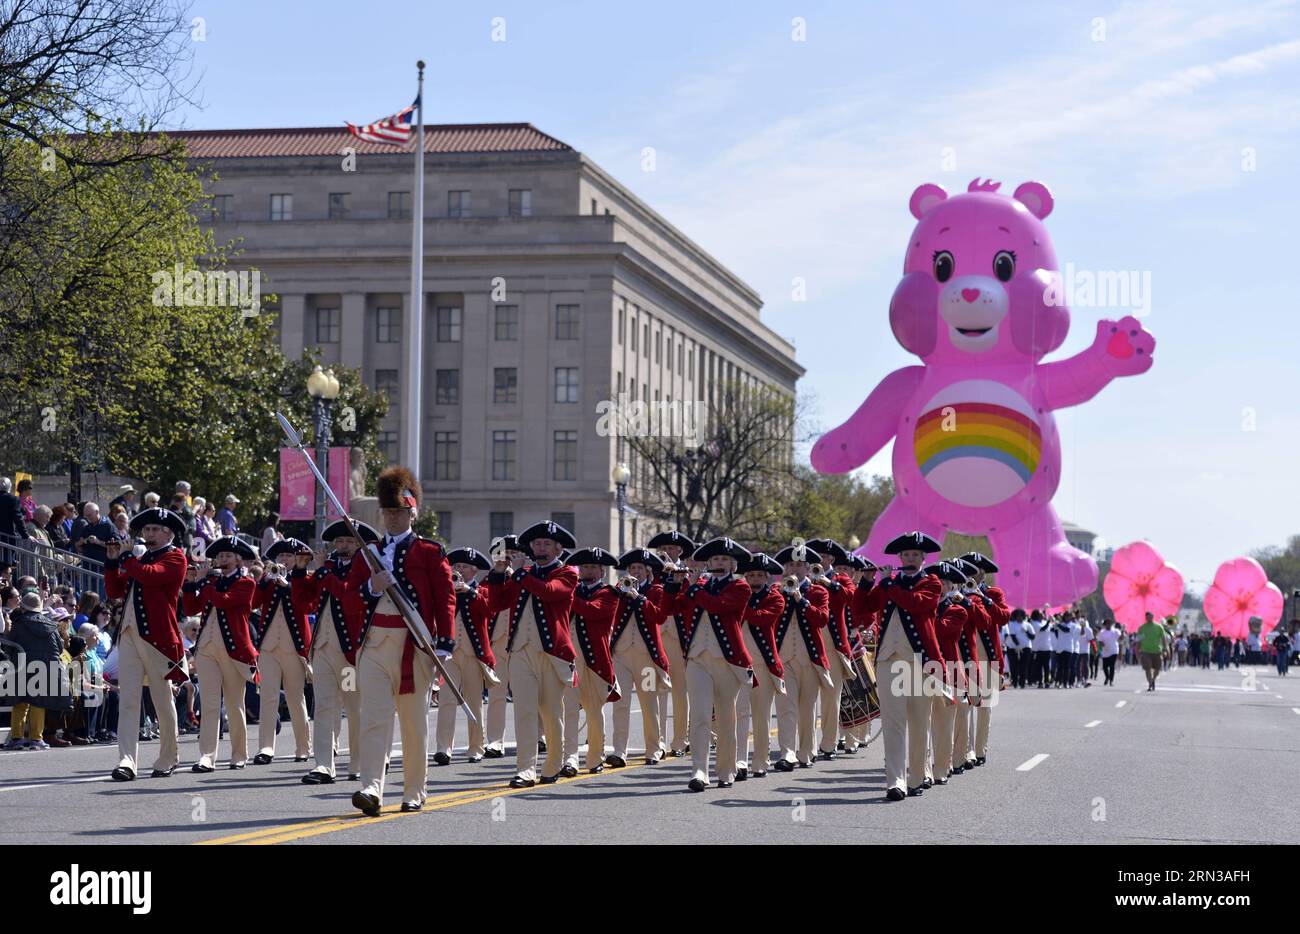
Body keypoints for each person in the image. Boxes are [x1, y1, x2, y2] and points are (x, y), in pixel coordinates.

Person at [347, 466, 456, 814]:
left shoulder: (429, 552)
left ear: (412, 512)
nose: (393, 518)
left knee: (413, 723)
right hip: (376, 643)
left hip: (415, 644)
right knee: (374, 718)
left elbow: (445, 598)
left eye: (400, 512)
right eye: (389, 512)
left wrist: (445, 642)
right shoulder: (368, 552)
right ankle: (372, 788)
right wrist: (369, 587)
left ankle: (414, 790)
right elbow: (349, 596)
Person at [852, 531, 943, 801]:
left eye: (915, 555)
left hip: (920, 661)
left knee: (918, 721)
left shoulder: (932, 582)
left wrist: (888, 582)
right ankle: (895, 781)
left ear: (923, 558)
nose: (910, 559)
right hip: (888, 659)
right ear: (899, 557)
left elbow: (915, 604)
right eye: (905, 555)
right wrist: (867, 582)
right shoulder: (888, 583)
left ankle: (917, 775)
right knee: (893, 722)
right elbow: (862, 610)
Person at [102, 507, 189, 780]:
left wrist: (128, 558)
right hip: (128, 635)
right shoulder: (138, 560)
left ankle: (168, 756)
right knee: (128, 699)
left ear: (168, 533)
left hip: (158, 639)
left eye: (153, 530)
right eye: (146, 530)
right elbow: (115, 591)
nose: (147, 534)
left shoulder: (176, 557)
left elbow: (151, 575)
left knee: (162, 700)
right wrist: (112, 562)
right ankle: (127, 761)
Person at [291, 518, 377, 783]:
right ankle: (324, 765)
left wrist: (324, 572)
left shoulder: (363, 569)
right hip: (323, 649)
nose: (342, 545)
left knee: (354, 707)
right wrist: (299, 571)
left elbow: (347, 594)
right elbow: (303, 602)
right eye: (339, 541)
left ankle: (358, 762)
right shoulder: (327, 567)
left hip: (349, 652)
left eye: (349, 541)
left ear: (359, 544)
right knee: (324, 707)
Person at [673, 537, 753, 792]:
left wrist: (695, 588)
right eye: (715, 559)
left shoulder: (740, 587)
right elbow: (672, 608)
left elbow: (718, 606)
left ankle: (726, 770)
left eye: (724, 560)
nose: (719, 563)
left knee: (726, 717)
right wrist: (674, 585)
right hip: (697, 658)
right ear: (709, 562)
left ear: (732, 565)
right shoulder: (699, 586)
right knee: (699, 715)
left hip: (727, 660)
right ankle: (699, 770)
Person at [181, 536, 259, 771]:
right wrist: (189, 583)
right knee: (210, 703)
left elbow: (223, 601)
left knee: (235, 705)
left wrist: (204, 583)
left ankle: (239, 754)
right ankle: (207, 755)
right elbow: (191, 608)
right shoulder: (212, 581)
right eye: (220, 555)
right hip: (206, 647)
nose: (222, 559)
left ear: (238, 559)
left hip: (234, 650)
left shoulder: (246, 582)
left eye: (228, 555)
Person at [604, 547, 669, 770]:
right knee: (620, 704)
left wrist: (639, 598)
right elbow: (609, 612)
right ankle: (619, 750)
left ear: (648, 571)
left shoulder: (656, 591)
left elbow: (659, 616)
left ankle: (654, 748)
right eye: (632, 568)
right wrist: (619, 592)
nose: (636, 572)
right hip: (621, 655)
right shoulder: (619, 591)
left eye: (640, 568)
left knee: (649, 704)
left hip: (646, 658)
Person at [769, 542, 831, 771]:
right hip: (784, 658)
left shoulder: (818, 591)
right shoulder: (776, 591)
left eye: (799, 565)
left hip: (810, 658)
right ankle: (787, 753)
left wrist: (800, 599)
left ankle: (807, 752)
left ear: (808, 568)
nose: (795, 569)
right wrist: (784, 595)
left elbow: (821, 619)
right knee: (786, 707)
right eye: (791, 565)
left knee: (807, 707)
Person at [434, 547, 498, 765]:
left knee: (474, 701)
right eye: (456, 566)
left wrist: (469, 592)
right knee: (446, 700)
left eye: (463, 567)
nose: (458, 571)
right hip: (450, 654)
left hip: (474, 655)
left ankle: (476, 747)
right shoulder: (446, 591)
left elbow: (490, 610)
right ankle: (443, 748)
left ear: (474, 571)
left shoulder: (483, 590)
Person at [253, 538, 315, 764]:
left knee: (295, 697)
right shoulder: (267, 579)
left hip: (294, 648)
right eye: (281, 557)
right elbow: (253, 602)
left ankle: (302, 747)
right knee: (268, 697)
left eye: (289, 556)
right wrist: (264, 581)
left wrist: (288, 585)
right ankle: (266, 748)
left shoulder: (303, 579)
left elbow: (308, 605)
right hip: (269, 646)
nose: (284, 560)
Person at [566, 547, 621, 774]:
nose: (588, 571)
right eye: (585, 567)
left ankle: (595, 757)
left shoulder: (609, 593)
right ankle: (569, 759)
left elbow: (593, 611)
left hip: (596, 661)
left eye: (593, 567)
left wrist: (567, 596)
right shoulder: (574, 590)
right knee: (568, 709)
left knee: (593, 711)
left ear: (602, 571)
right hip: (570, 658)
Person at [646, 530, 697, 758]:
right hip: (653, 637)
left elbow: (687, 602)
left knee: (679, 690)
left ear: (680, 551)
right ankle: (656, 742)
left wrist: (678, 578)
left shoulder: (687, 574)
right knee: (653, 690)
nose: (668, 551)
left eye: (673, 548)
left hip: (678, 638)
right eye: (664, 547)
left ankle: (679, 740)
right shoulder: (652, 573)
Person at [736, 552, 784, 779]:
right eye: (751, 575)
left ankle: (761, 761)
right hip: (737, 662)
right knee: (740, 713)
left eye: (759, 575)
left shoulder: (775, 598)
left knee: (761, 715)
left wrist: (740, 604)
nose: (754, 579)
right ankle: (739, 761)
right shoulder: (739, 594)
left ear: (766, 577)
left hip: (763, 663)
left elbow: (762, 618)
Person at [3, 591, 62, 749]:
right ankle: (36, 739)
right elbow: (60, 647)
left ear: (23, 608)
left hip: (20, 667)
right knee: (38, 703)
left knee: (20, 703)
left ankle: (16, 738)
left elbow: (7, 647)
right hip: (44, 668)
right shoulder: (51, 625)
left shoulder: (18, 625)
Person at [482, 534, 523, 758]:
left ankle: (538, 735)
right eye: (505, 554)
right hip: (498, 643)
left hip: (523, 643)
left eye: (513, 554)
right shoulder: (490, 579)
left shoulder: (526, 577)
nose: (508, 558)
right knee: (496, 693)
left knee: (528, 694)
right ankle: (495, 741)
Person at [1136, 611, 1167, 691]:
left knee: (1157, 669)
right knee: (1148, 668)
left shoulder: (1159, 627)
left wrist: (1165, 649)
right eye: (1148, 617)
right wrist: (1137, 652)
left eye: (1151, 616)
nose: (1149, 618)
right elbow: (1139, 641)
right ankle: (1150, 683)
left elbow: (1163, 639)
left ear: (1153, 617)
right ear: (1146, 618)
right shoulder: (1142, 628)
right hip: (1146, 651)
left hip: (1157, 651)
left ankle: (1153, 679)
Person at [0, 477, 32, 543]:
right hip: (7, 540)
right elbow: (18, 518)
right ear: (10, 486)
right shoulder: (13, 499)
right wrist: (26, 535)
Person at [1097, 620, 1120, 685]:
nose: (1108, 625)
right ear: (1105, 625)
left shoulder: (1115, 631)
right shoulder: (1102, 632)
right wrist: (1103, 644)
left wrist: (1123, 632)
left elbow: (1121, 638)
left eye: (1109, 623)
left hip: (1114, 651)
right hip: (1105, 652)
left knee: (1112, 666)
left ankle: (1111, 681)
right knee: (1105, 667)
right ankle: (1107, 677)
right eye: (1107, 623)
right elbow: (1100, 641)